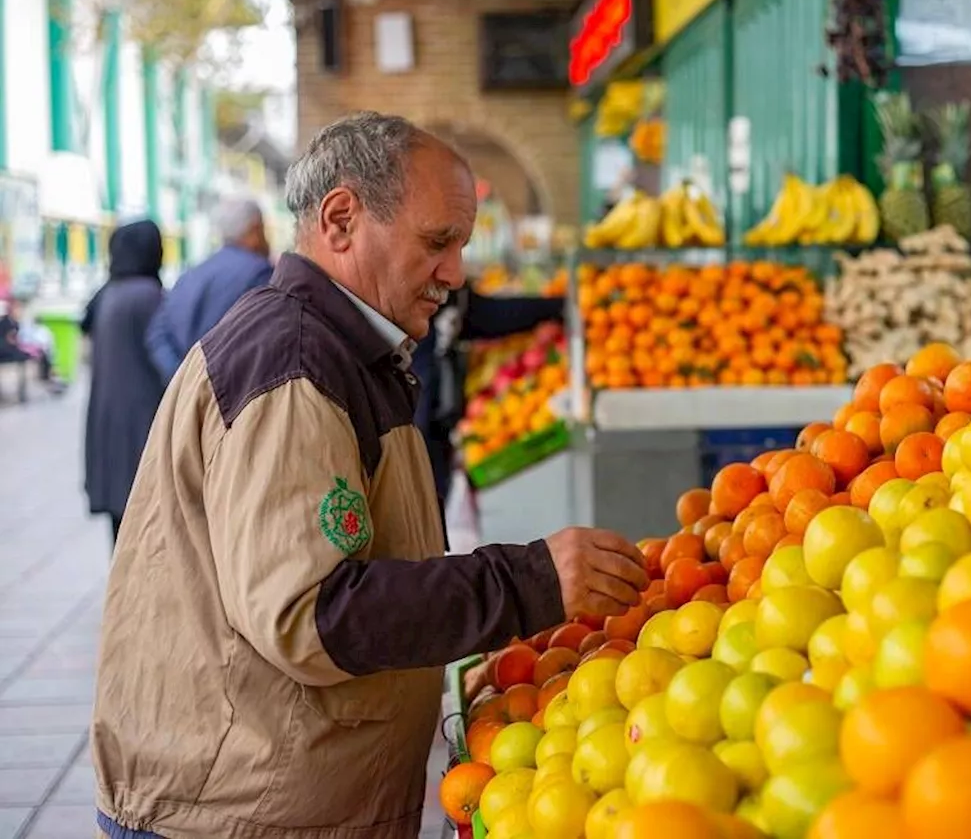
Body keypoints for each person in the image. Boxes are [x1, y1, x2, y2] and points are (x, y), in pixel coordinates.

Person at [91, 111, 648, 839]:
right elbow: (313, 612)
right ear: (343, 219)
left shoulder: (344, 348)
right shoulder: (295, 364)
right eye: (438, 242)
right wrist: (528, 580)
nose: (455, 274)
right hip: (234, 814)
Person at [411, 281, 564, 513]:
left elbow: (479, 315)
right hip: (416, 426)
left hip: (432, 422)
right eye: (439, 245)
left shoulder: (446, 292)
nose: (455, 272)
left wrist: (554, 307)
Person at [81, 220, 166, 544]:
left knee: (120, 529)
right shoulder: (148, 296)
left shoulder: (108, 294)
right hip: (141, 425)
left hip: (108, 423)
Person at [145, 196, 273, 384]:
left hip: (190, 396)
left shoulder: (190, 275)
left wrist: (185, 381)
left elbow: (156, 335)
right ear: (255, 230)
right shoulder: (261, 274)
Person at [0, 294, 65, 392]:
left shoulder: (17, 323)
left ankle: (52, 377)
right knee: (37, 352)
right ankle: (52, 378)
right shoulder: (6, 322)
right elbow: (8, 340)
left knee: (44, 351)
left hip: (15, 350)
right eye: (17, 308)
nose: (19, 311)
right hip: (7, 352)